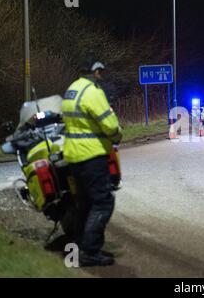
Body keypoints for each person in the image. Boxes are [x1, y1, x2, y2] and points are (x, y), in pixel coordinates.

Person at [62, 58, 122, 267]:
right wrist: (116, 135)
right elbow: (110, 125)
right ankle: (89, 251)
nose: (101, 76)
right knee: (103, 202)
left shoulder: (72, 90)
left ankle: (78, 246)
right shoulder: (93, 92)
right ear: (95, 72)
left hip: (74, 156)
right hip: (92, 156)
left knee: (84, 203)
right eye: (100, 72)